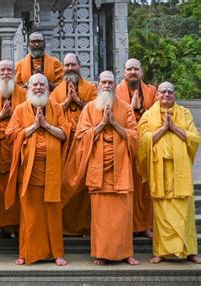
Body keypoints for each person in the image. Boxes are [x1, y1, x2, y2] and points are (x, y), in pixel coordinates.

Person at [64, 71, 140, 265]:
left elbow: (134, 137)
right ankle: (102, 253)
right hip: (99, 170)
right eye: (103, 82)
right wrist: (101, 125)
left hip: (121, 168)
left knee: (124, 215)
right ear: (98, 86)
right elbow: (81, 137)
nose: (107, 85)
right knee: (101, 217)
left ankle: (126, 252)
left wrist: (113, 123)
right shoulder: (89, 109)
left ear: (115, 85)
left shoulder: (126, 109)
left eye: (110, 82)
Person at [5, 73, 69, 266]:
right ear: (28, 88)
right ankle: (26, 252)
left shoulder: (56, 108)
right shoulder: (20, 110)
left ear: (48, 89)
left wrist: (46, 125)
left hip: (51, 170)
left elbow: (65, 133)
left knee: (53, 213)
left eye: (42, 84)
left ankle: (57, 253)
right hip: (29, 171)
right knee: (30, 215)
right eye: (35, 84)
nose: (39, 87)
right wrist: (33, 127)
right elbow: (10, 135)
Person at [137, 82, 201, 264]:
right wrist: (163, 128)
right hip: (160, 170)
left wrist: (174, 128)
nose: (166, 94)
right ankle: (160, 252)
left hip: (181, 171)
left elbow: (195, 138)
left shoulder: (185, 113)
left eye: (170, 91)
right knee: (162, 213)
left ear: (174, 95)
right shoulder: (148, 115)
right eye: (163, 91)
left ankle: (190, 251)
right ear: (157, 95)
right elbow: (142, 141)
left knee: (185, 212)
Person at [51, 53, 97, 236]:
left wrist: (78, 101)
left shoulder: (91, 89)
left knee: (83, 185)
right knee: (63, 183)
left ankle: (83, 226)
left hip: (84, 142)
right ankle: (64, 226)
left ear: (79, 66)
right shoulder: (56, 91)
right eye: (67, 65)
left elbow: (98, 111)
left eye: (73, 65)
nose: (70, 68)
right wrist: (66, 103)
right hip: (63, 145)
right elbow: (51, 113)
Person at [0, 60, 26, 239]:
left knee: (17, 186)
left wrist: (14, 114)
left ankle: (17, 226)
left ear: (14, 72)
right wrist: (1, 115)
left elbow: (29, 116)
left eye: (9, 70)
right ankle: (1, 226)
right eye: (3, 70)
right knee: (1, 190)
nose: (6, 73)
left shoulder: (23, 94)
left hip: (18, 146)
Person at [116, 58, 157, 238]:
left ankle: (146, 224)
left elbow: (158, 115)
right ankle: (128, 225)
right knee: (126, 187)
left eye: (135, 69)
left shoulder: (152, 91)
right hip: (124, 145)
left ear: (141, 71)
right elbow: (114, 118)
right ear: (123, 72)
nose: (132, 72)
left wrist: (142, 110)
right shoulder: (116, 92)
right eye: (129, 69)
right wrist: (131, 109)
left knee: (145, 187)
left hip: (145, 144)